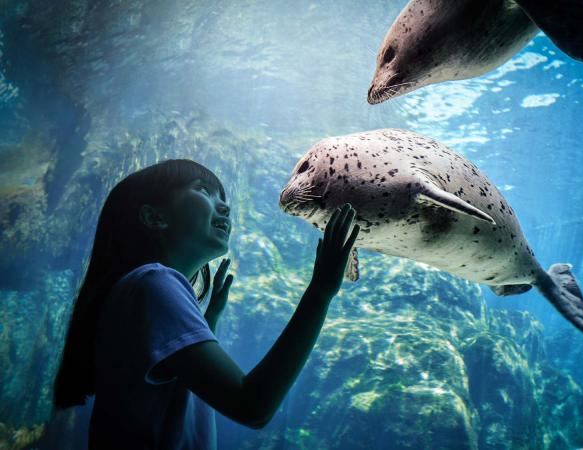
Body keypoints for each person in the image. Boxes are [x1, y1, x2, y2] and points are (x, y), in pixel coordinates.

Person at [52, 158, 359, 449]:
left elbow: (169, 394)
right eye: (203, 190)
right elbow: (252, 406)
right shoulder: (151, 283)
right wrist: (320, 292)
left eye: (222, 196)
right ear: (154, 217)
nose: (225, 206)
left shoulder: (141, 288)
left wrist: (206, 322)